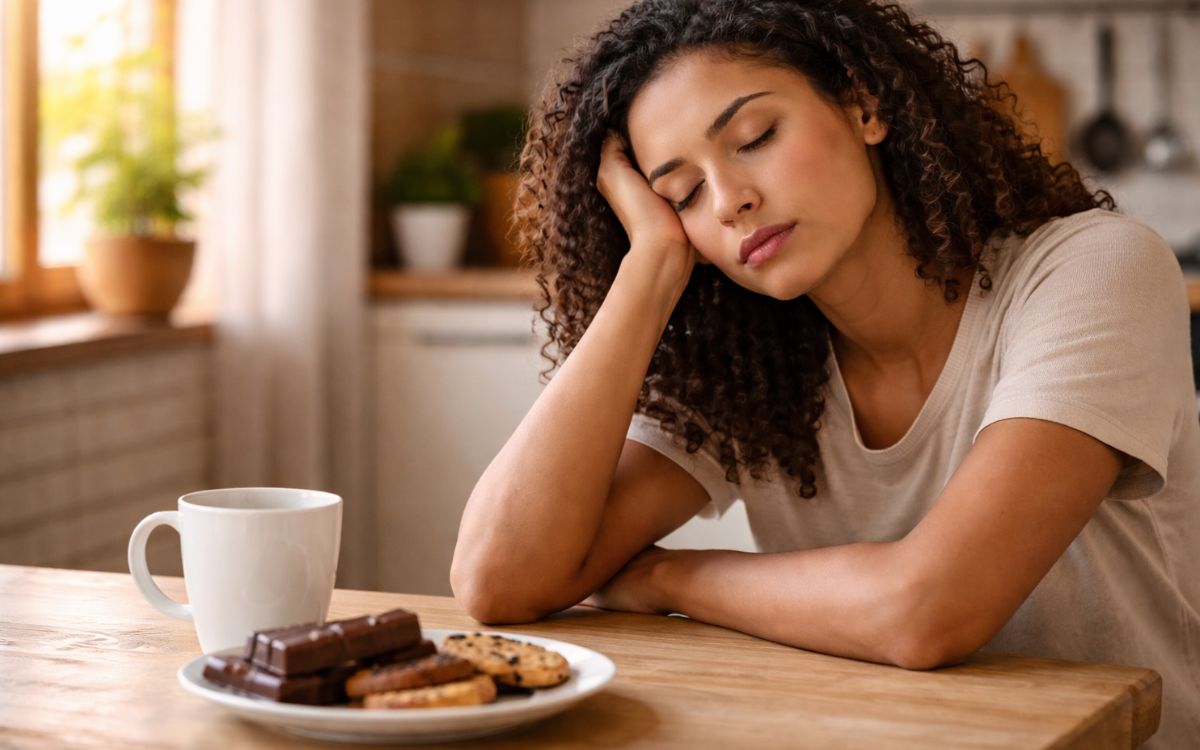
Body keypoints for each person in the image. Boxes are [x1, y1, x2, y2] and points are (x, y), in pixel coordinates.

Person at [449, 0, 1200, 745]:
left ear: (863, 103)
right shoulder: (755, 365)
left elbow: (928, 611)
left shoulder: (1094, 271)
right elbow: (498, 578)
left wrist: (664, 578)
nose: (730, 201)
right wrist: (650, 269)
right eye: (682, 195)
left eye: (755, 137)